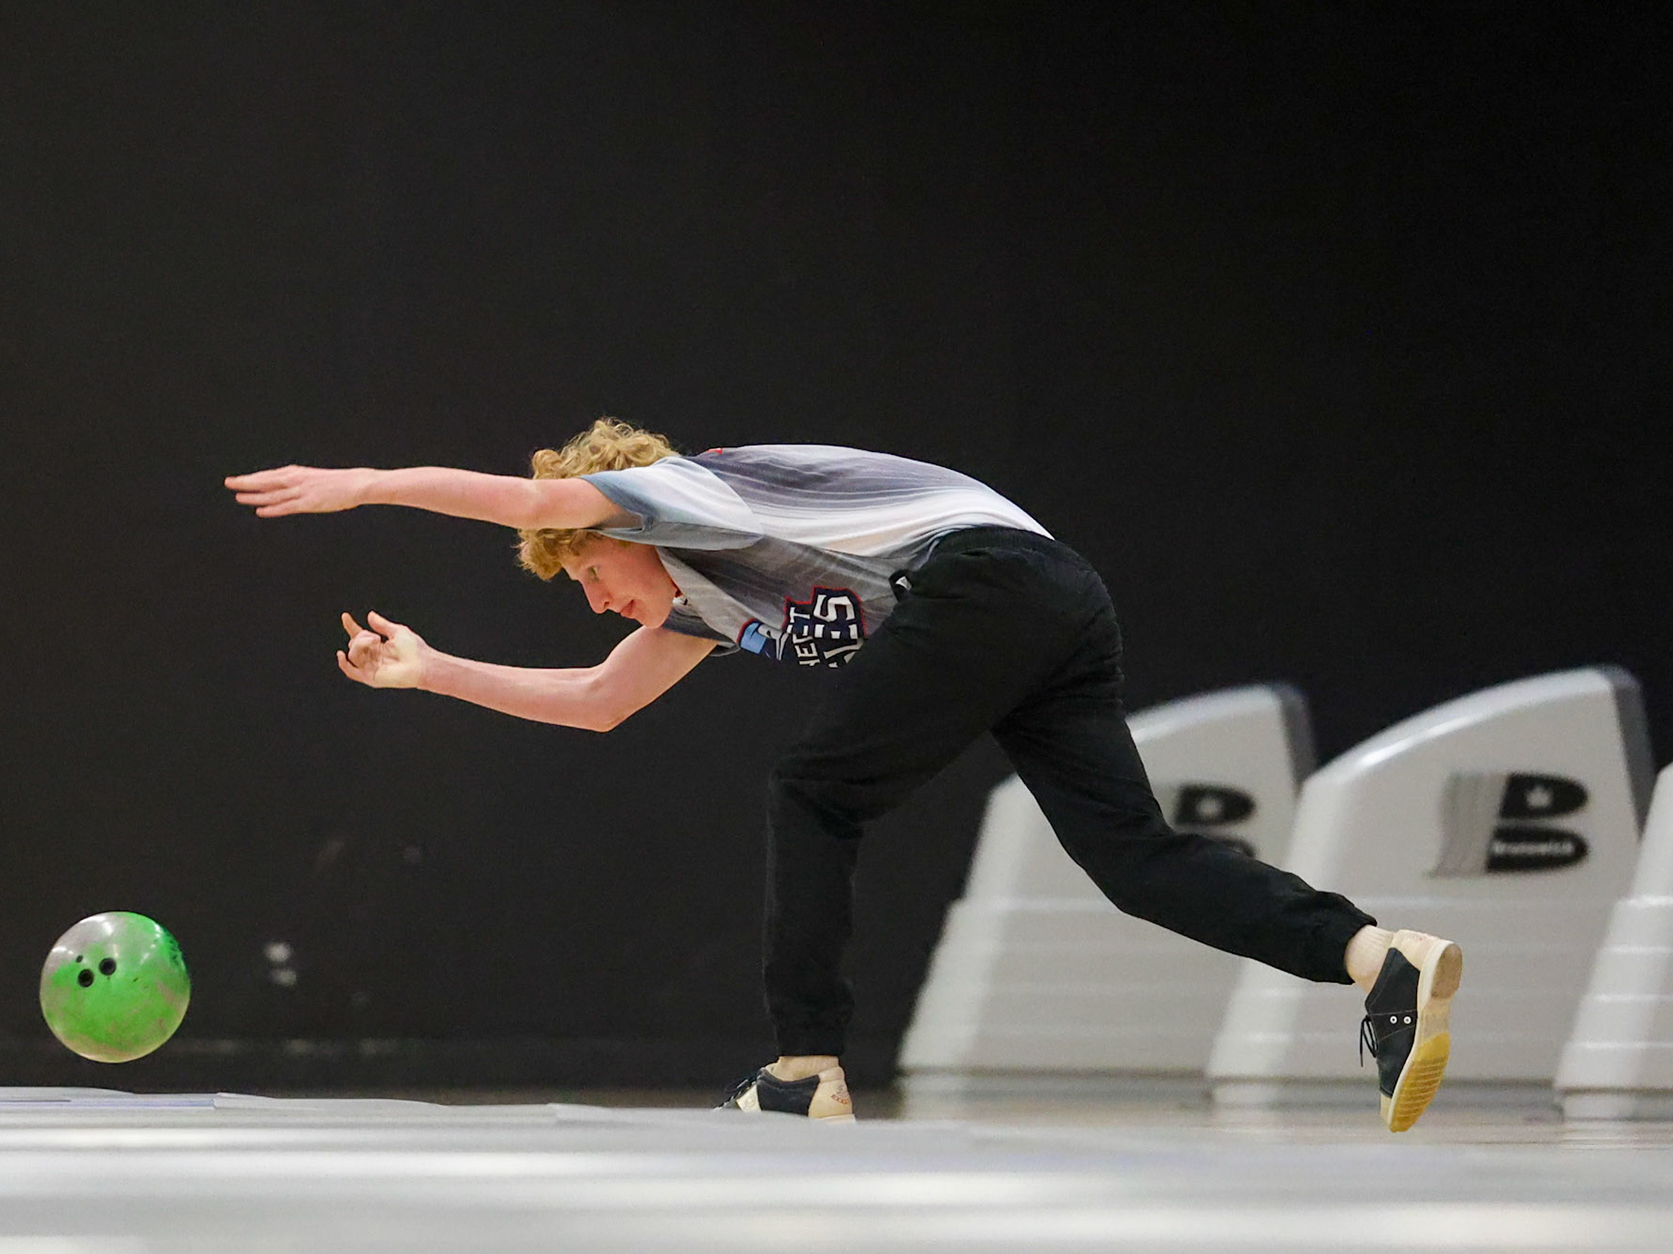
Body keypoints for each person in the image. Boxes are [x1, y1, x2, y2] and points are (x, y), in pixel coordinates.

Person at [225, 418, 1463, 1131]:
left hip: (988, 584)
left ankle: (805, 1065)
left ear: (615, 530)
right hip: (1052, 602)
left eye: (589, 575)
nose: (596, 599)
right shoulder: (702, 600)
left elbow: (540, 495)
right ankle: (1375, 956)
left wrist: (371, 485)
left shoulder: (684, 493)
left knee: (811, 789)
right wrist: (433, 670)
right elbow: (599, 704)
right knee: (1133, 861)